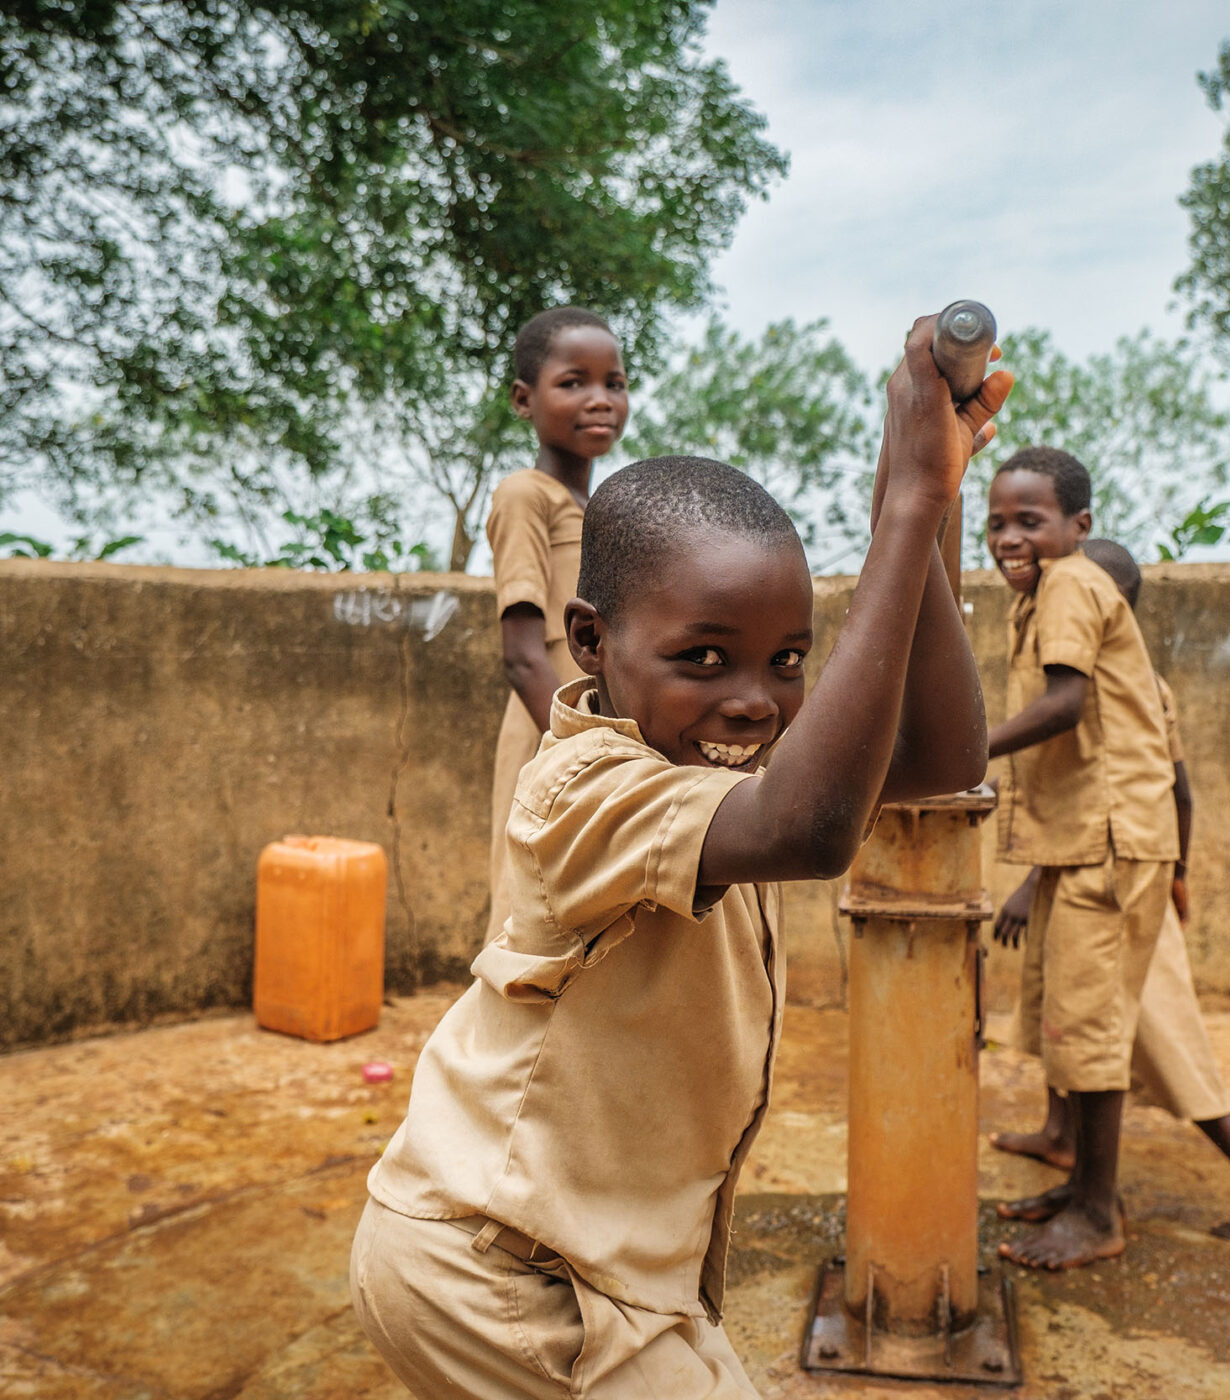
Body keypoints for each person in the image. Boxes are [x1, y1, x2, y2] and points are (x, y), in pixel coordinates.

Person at [348, 317, 1013, 1397]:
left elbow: (942, 754)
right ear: (592, 640)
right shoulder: (581, 786)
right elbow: (809, 827)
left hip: (608, 1274)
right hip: (499, 1273)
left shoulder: (725, 763)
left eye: (786, 660)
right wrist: (905, 511)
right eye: (701, 657)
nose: (751, 699)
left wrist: (913, 490)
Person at [990, 538, 1230, 1247]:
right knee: (1079, 1016)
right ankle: (1071, 1152)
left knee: (1147, 1034)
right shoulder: (1122, 677)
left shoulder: (1119, 686)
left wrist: (1176, 876)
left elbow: (1137, 791)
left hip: (1125, 867)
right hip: (1125, 861)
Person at [984, 447, 1179, 1271]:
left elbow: (1065, 706)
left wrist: (969, 750)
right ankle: (1080, 1188)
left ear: (1077, 528)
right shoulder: (1037, 599)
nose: (1008, 538)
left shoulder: (1068, 583)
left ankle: (1098, 1213)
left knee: (1092, 1029)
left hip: (1113, 835)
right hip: (1086, 839)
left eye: (1029, 521)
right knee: (1072, 1019)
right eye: (995, 522)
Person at [483, 306, 630, 945]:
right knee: (527, 912)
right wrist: (578, 757)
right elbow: (521, 654)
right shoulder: (525, 496)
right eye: (574, 383)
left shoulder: (602, 512)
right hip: (551, 734)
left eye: (614, 383)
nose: (599, 399)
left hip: (600, 737)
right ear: (524, 399)